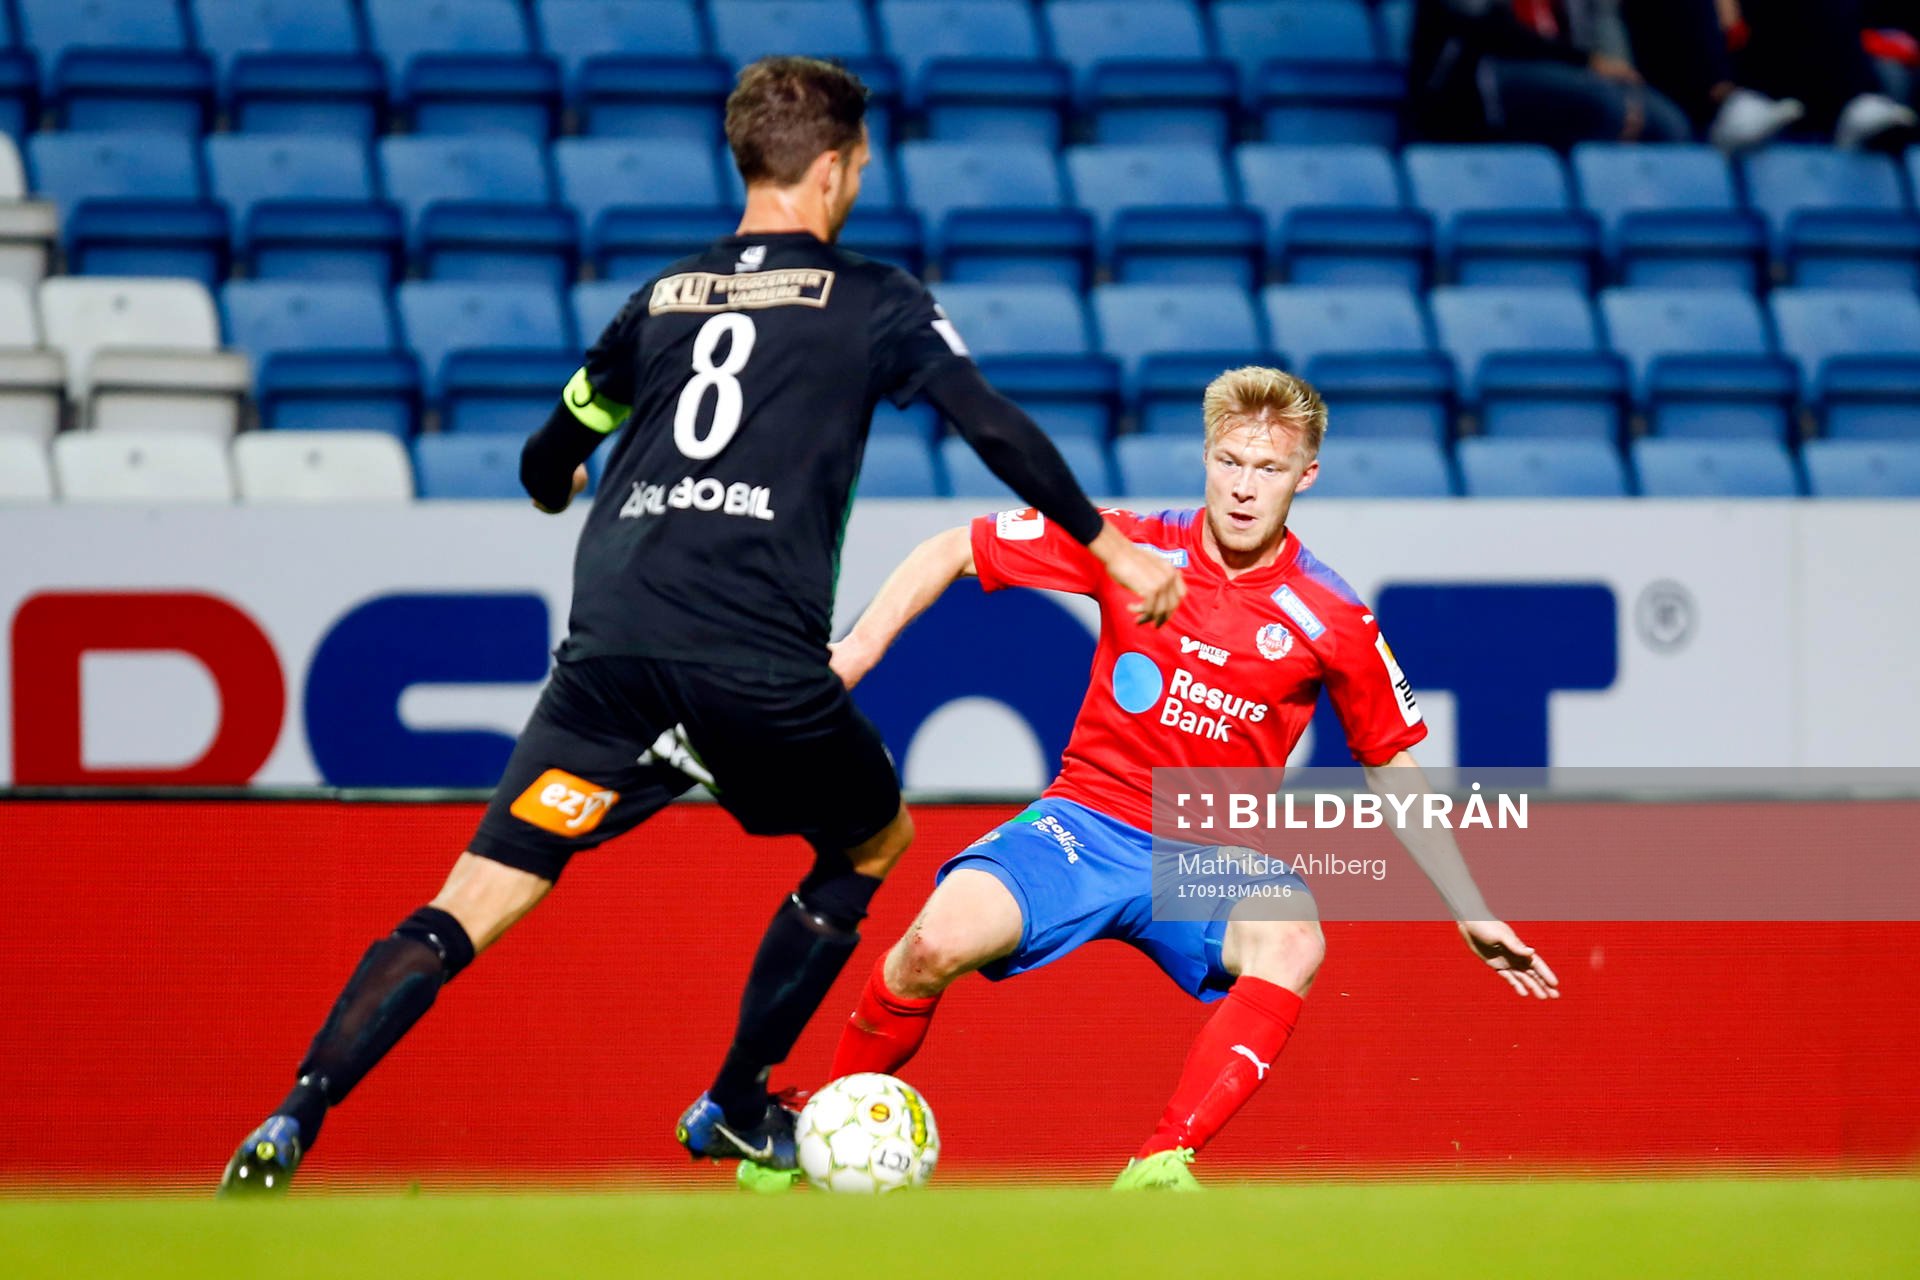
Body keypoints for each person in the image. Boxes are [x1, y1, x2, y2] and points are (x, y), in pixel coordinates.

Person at [217, 56, 1184, 1196]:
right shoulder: (874, 298)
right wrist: (1108, 545)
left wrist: (557, 485)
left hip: (610, 659)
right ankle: (732, 1100)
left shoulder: (665, 297)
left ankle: (289, 1117)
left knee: (474, 895)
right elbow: (989, 420)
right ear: (833, 167)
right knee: (875, 841)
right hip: (751, 660)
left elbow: (548, 454)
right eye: (861, 163)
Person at [818, 367, 1559, 1192]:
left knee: (1293, 934)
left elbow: (1390, 761)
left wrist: (1470, 908)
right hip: (1084, 823)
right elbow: (951, 547)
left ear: (1306, 475)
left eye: (1269, 469)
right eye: (1230, 462)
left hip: (1204, 860)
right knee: (927, 948)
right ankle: (827, 1129)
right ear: (1205, 456)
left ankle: (1161, 1163)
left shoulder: (1335, 617)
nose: (1244, 489)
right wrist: (859, 647)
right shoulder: (1126, 546)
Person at [1409, 0, 1694, 146]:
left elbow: (1603, 20)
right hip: (1486, 69)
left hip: (1571, 71)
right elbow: (1487, 30)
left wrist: (1623, 80)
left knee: (1671, 124)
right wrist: (1585, 61)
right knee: (1606, 106)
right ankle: (1595, 219)